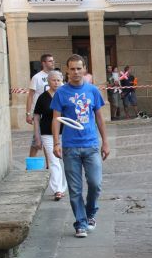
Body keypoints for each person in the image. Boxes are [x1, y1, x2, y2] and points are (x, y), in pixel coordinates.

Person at [52, 54, 110, 238]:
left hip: (91, 145)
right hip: (70, 147)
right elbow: (56, 119)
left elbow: (100, 118)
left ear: (84, 69)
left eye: (79, 68)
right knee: (75, 189)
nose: (76, 72)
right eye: (72, 69)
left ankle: (90, 213)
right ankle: (80, 223)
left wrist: (105, 142)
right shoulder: (61, 92)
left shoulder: (92, 91)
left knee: (95, 184)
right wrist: (56, 143)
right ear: (67, 71)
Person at [33, 70, 68, 201]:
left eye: (58, 80)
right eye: (53, 80)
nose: (56, 83)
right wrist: (37, 135)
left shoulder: (66, 95)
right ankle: (57, 189)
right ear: (48, 82)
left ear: (62, 80)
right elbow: (36, 117)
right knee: (54, 161)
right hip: (47, 133)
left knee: (65, 161)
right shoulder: (43, 97)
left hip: (65, 133)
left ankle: (63, 186)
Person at [26, 54, 55, 159]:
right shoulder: (37, 77)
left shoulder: (55, 76)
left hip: (52, 112)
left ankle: (49, 166)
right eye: (50, 61)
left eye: (53, 60)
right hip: (40, 113)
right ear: (44, 63)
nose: (53, 62)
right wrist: (28, 113)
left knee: (49, 140)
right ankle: (30, 165)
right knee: (37, 141)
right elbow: (30, 96)